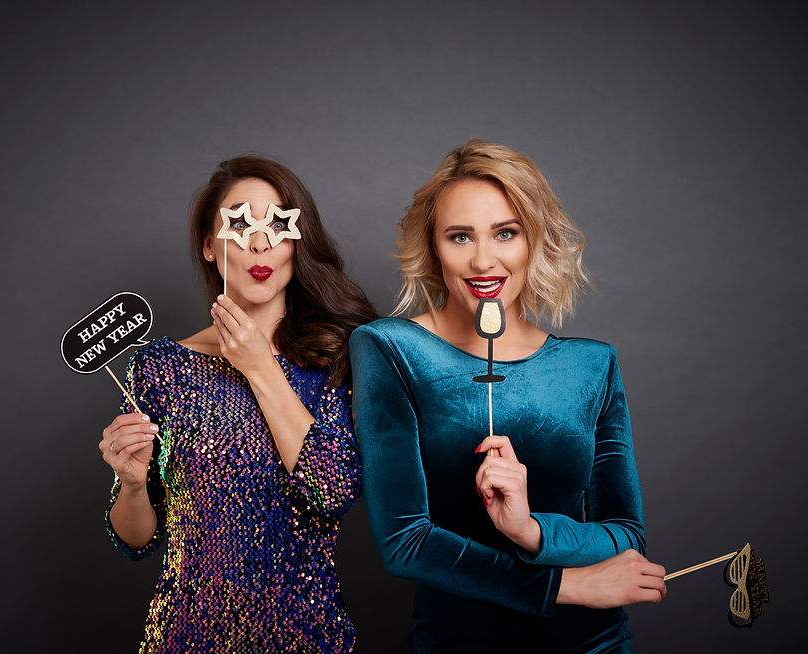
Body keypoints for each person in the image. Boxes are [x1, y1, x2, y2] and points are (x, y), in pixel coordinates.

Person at [349, 140, 666, 652]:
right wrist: (568, 585)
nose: (483, 260)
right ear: (433, 247)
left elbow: (626, 536)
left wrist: (531, 532)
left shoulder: (592, 364)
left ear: (533, 240)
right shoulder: (390, 348)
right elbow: (405, 542)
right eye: (459, 236)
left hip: (595, 645)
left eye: (505, 233)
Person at [99, 155, 377, 653]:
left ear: (297, 240)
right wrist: (133, 484)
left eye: (277, 224)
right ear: (210, 245)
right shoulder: (160, 369)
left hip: (307, 639)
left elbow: (332, 490)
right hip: (187, 638)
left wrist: (260, 365)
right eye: (240, 223)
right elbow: (136, 540)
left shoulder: (339, 354)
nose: (259, 242)